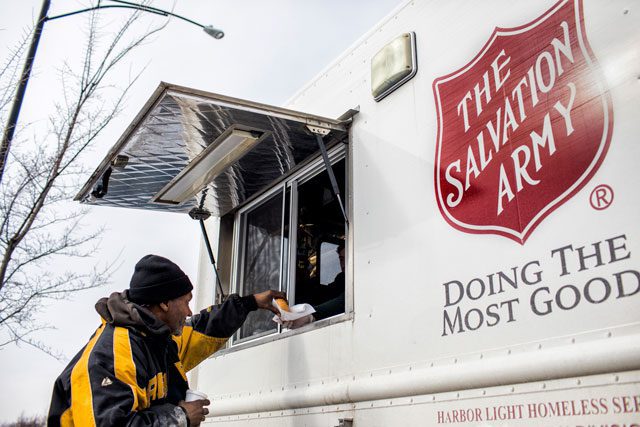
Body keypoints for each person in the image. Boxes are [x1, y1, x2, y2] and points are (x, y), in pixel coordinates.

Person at [47, 254, 286, 427]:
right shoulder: (112, 355)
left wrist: (251, 302)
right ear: (164, 303)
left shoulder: (157, 339)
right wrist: (180, 417)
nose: (189, 311)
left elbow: (204, 328)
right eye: (185, 302)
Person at [289, 244, 345, 329]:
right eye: (341, 259)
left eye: (348, 258)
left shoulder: (359, 279)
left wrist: (310, 315)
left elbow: (344, 301)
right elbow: (326, 294)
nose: (344, 264)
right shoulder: (341, 279)